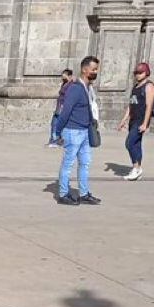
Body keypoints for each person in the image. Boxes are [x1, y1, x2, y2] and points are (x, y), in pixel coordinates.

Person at [53, 54, 101, 206]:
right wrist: (57, 130)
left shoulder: (88, 87)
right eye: (94, 69)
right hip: (73, 131)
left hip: (85, 131)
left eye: (97, 69)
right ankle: (63, 193)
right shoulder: (75, 88)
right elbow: (65, 111)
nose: (96, 72)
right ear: (85, 70)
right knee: (68, 163)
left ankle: (84, 193)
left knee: (85, 163)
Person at [118, 62, 154, 181]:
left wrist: (145, 123)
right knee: (136, 144)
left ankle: (136, 168)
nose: (138, 75)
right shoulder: (136, 87)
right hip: (133, 119)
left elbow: (149, 106)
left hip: (141, 120)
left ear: (146, 73)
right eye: (136, 73)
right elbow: (131, 104)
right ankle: (137, 168)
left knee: (129, 143)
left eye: (140, 73)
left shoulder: (149, 86)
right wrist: (124, 120)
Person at [47, 68, 72, 146]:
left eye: (64, 74)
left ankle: (55, 141)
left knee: (56, 124)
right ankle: (57, 140)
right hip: (59, 107)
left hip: (63, 108)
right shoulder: (64, 83)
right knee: (55, 124)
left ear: (69, 76)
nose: (62, 76)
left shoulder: (71, 85)